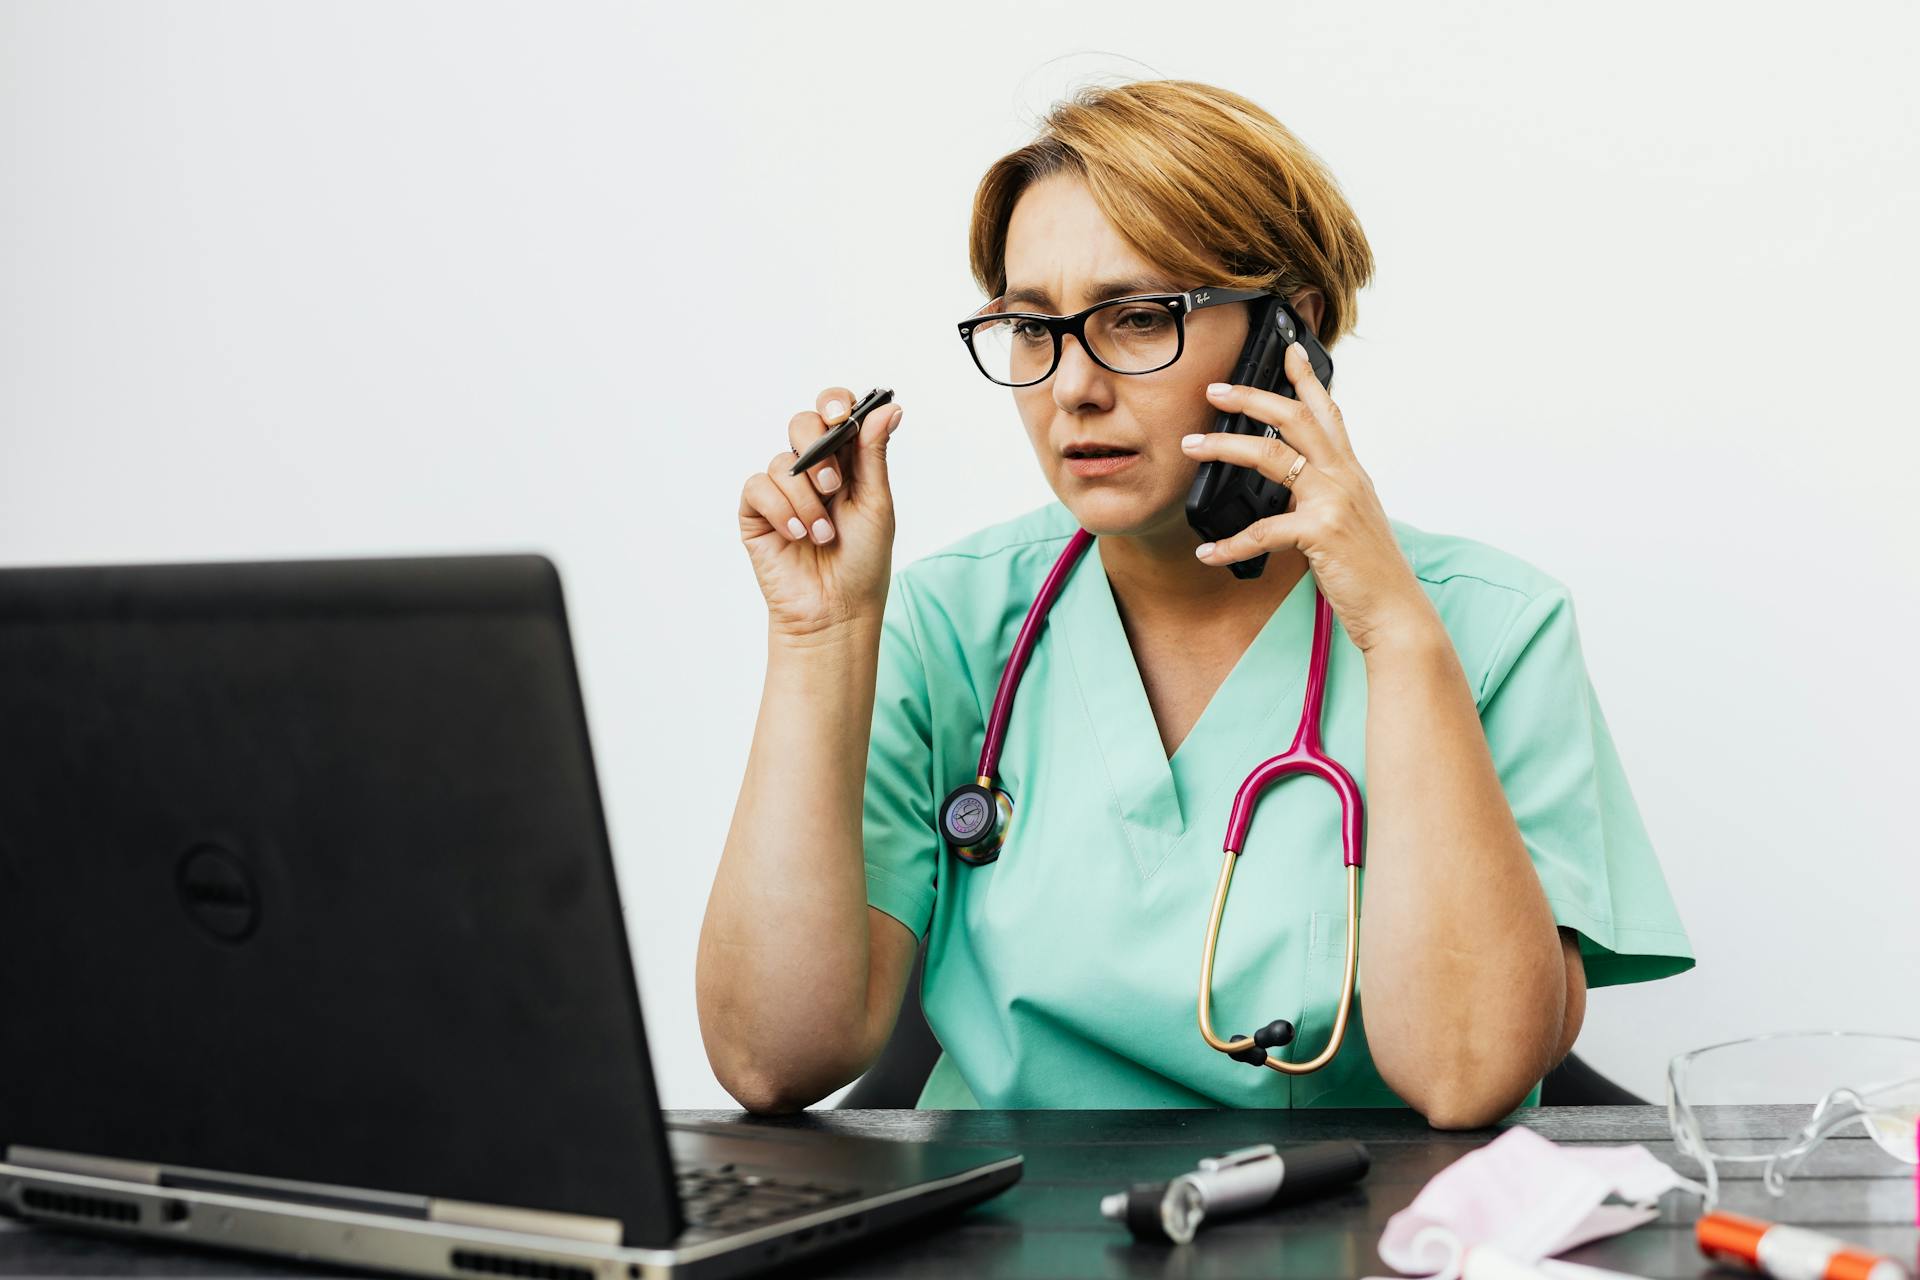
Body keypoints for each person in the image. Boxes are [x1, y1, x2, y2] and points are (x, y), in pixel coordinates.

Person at [698, 79, 1692, 1126]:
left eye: (1136, 319)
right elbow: (772, 1058)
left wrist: (1397, 636)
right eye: (1031, 330)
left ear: (1290, 336)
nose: (1072, 386)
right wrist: (821, 635)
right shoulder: (951, 623)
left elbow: (1469, 1075)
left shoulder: (1492, 627)